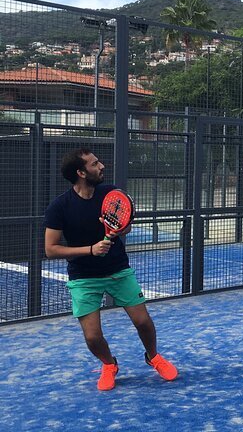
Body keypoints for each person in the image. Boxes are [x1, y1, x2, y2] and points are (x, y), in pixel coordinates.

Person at [44, 148, 178, 391]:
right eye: (95, 164)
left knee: (143, 322)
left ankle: (153, 357)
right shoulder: (59, 207)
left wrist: (118, 231)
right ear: (81, 172)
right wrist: (91, 249)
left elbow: (125, 225)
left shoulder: (110, 193)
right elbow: (51, 249)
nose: (102, 166)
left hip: (118, 270)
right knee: (93, 337)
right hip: (83, 278)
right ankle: (109, 364)